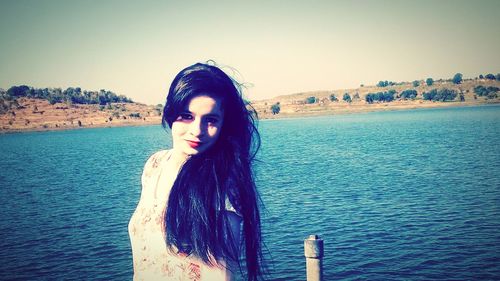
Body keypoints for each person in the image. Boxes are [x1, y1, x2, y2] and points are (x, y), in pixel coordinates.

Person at [128, 62, 265, 281]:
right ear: (170, 113)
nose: (197, 131)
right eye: (187, 116)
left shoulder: (223, 185)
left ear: (223, 125)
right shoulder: (155, 166)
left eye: (210, 120)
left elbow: (219, 275)